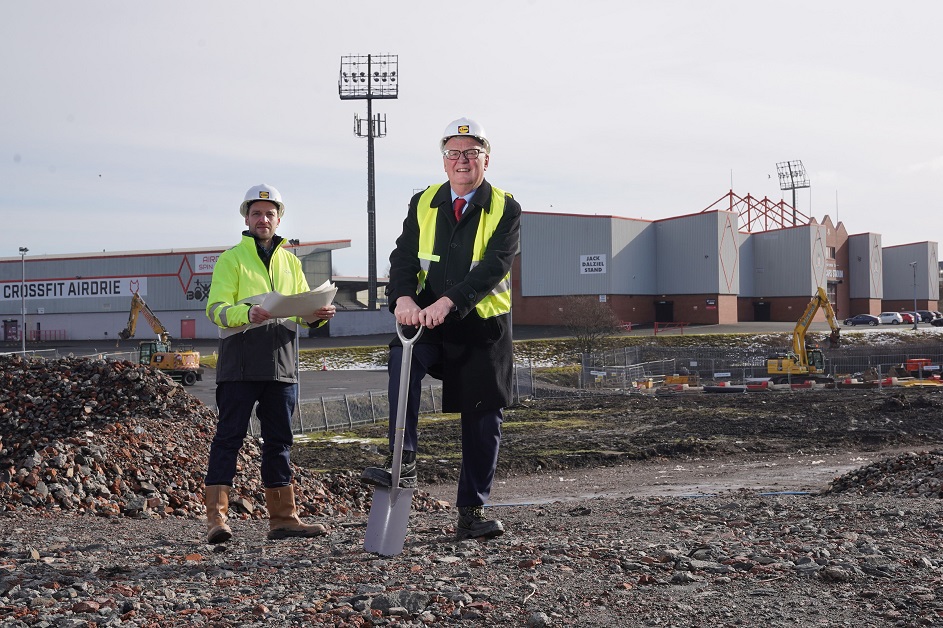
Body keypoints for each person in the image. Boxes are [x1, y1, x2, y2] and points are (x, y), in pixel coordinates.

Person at [361, 117, 522, 540]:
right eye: (454, 153)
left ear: (486, 159)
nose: (462, 161)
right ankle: (404, 458)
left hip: (481, 328)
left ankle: (472, 512)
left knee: (483, 417)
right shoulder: (424, 201)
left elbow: (493, 267)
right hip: (427, 326)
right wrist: (403, 300)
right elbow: (403, 257)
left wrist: (449, 303)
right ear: (444, 160)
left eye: (471, 153)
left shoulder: (506, 207)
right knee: (402, 363)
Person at [203, 183, 336, 544]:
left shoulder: (291, 261)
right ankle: (217, 520)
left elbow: (301, 312)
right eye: (257, 213)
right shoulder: (231, 259)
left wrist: (318, 315)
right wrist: (248, 312)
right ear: (246, 217)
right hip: (240, 365)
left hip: (282, 366)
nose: (263, 219)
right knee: (228, 438)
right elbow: (215, 310)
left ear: (278, 219)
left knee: (279, 441)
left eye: (269, 214)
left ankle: (283, 519)